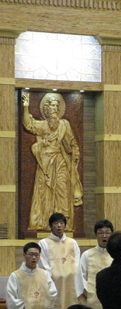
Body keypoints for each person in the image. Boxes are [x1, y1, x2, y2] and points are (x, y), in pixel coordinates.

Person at [22, 93, 83, 232]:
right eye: (52, 107)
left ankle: (64, 223)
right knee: (44, 193)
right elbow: (28, 125)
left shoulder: (64, 125)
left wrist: (74, 156)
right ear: (46, 110)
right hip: (45, 164)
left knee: (62, 190)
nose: (54, 109)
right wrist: (26, 107)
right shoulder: (43, 125)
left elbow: (73, 144)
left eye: (57, 106)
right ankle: (43, 223)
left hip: (61, 162)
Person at [6, 242, 57, 309]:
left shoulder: (44, 274)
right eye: (31, 254)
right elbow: (11, 299)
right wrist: (26, 307)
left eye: (36, 255)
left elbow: (53, 293)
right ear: (24, 255)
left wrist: (43, 303)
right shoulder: (15, 276)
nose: (34, 258)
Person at [38, 213, 80, 309]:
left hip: (72, 283)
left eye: (61, 223)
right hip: (54, 283)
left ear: (65, 225)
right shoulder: (44, 243)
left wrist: (73, 275)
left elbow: (77, 262)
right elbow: (43, 265)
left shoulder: (72, 242)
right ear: (50, 226)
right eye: (56, 223)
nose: (59, 225)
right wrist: (53, 278)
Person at [75, 219, 114, 309]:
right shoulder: (87, 255)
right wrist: (88, 293)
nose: (104, 236)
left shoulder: (116, 254)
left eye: (107, 233)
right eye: (101, 233)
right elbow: (80, 277)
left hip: (113, 300)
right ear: (96, 236)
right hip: (92, 299)